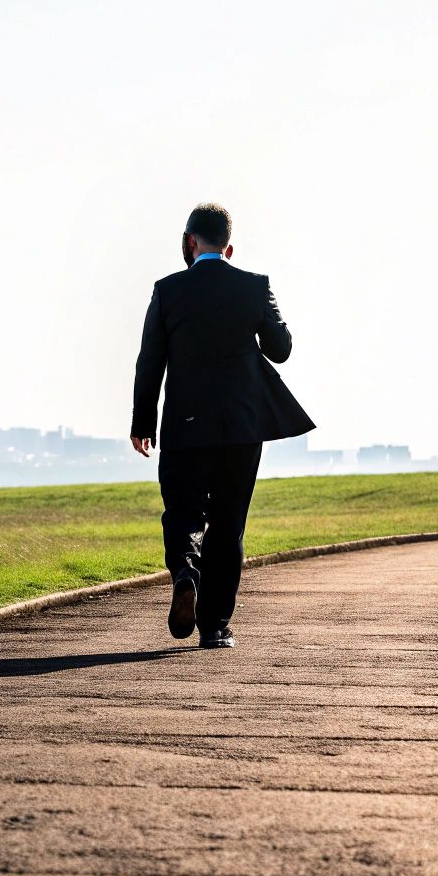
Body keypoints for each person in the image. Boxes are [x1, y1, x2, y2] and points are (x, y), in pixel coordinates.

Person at [129, 204, 314, 648]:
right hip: (241, 428)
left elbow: (149, 361)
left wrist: (142, 422)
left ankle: (186, 571)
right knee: (229, 525)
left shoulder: (168, 290)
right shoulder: (254, 287)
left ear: (190, 242)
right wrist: (263, 313)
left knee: (182, 512)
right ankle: (215, 628)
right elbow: (281, 348)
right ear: (228, 247)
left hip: (184, 426)